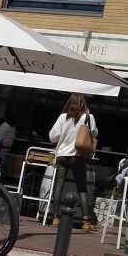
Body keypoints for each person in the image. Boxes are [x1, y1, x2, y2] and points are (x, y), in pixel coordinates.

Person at [47, 93, 98, 231]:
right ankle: (86, 221)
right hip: (77, 156)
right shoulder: (88, 117)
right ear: (83, 104)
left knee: (59, 186)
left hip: (62, 155)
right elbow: (94, 134)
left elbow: (52, 137)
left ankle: (55, 218)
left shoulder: (63, 117)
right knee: (82, 188)